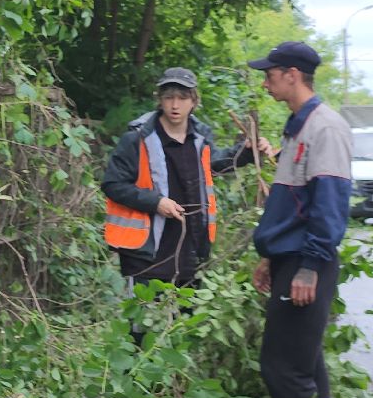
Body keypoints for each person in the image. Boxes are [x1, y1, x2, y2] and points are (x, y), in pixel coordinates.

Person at [245, 41, 353, 398]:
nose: (265, 80)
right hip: (291, 257)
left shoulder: (325, 128)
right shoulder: (298, 127)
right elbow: (291, 203)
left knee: (281, 366)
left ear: (292, 75)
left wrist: (310, 265)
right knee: (305, 362)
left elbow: (330, 204)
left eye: (270, 74)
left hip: (308, 261)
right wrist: (272, 256)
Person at [101, 67, 268, 301]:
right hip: (146, 254)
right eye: (169, 97)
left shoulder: (199, 138)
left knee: (185, 325)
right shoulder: (137, 139)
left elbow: (215, 163)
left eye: (182, 98)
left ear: (194, 101)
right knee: (141, 329)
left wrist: (248, 153)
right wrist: (156, 202)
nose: (175, 105)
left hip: (190, 250)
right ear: (159, 100)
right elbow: (113, 184)